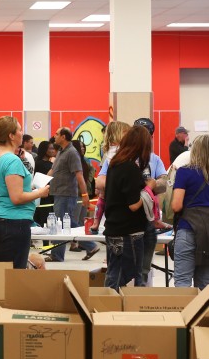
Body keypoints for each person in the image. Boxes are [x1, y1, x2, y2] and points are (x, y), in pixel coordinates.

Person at [170, 135, 209, 289]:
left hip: (188, 229)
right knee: (205, 285)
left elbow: (176, 206)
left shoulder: (184, 172)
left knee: (182, 281)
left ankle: (184, 314)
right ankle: (205, 314)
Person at [0, 117, 49, 268]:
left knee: (1, 269)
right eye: (19, 130)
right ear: (11, 136)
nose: (22, 133)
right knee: (15, 272)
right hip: (14, 223)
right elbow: (17, 197)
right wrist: (39, 192)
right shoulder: (13, 161)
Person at [103, 125, 153, 290]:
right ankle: (121, 313)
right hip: (128, 233)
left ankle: (108, 310)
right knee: (129, 279)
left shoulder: (115, 164)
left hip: (114, 229)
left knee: (114, 277)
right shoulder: (130, 168)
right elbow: (133, 205)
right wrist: (148, 189)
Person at [131, 118, 168, 286]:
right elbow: (102, 182)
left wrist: (147, 185)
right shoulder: (122, 157)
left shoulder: (155, 159)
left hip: (148, 219)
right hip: (128, 218)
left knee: (144, 269)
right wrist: (150, 184)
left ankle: (140, 298)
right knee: (125, 267)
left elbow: (163, 183)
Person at [47, 127, 92, 261]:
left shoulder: (72, 153)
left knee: (61, 224)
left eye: (56, 134)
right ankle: (91, 246)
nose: (54, 136)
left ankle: (57, 255)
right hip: (59, 193)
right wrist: (39, 182)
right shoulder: (61, 151)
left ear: (64, 137)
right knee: (67, 223)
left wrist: (84, 195)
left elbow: (79, 175)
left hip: (66, 194)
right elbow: (52, 171)